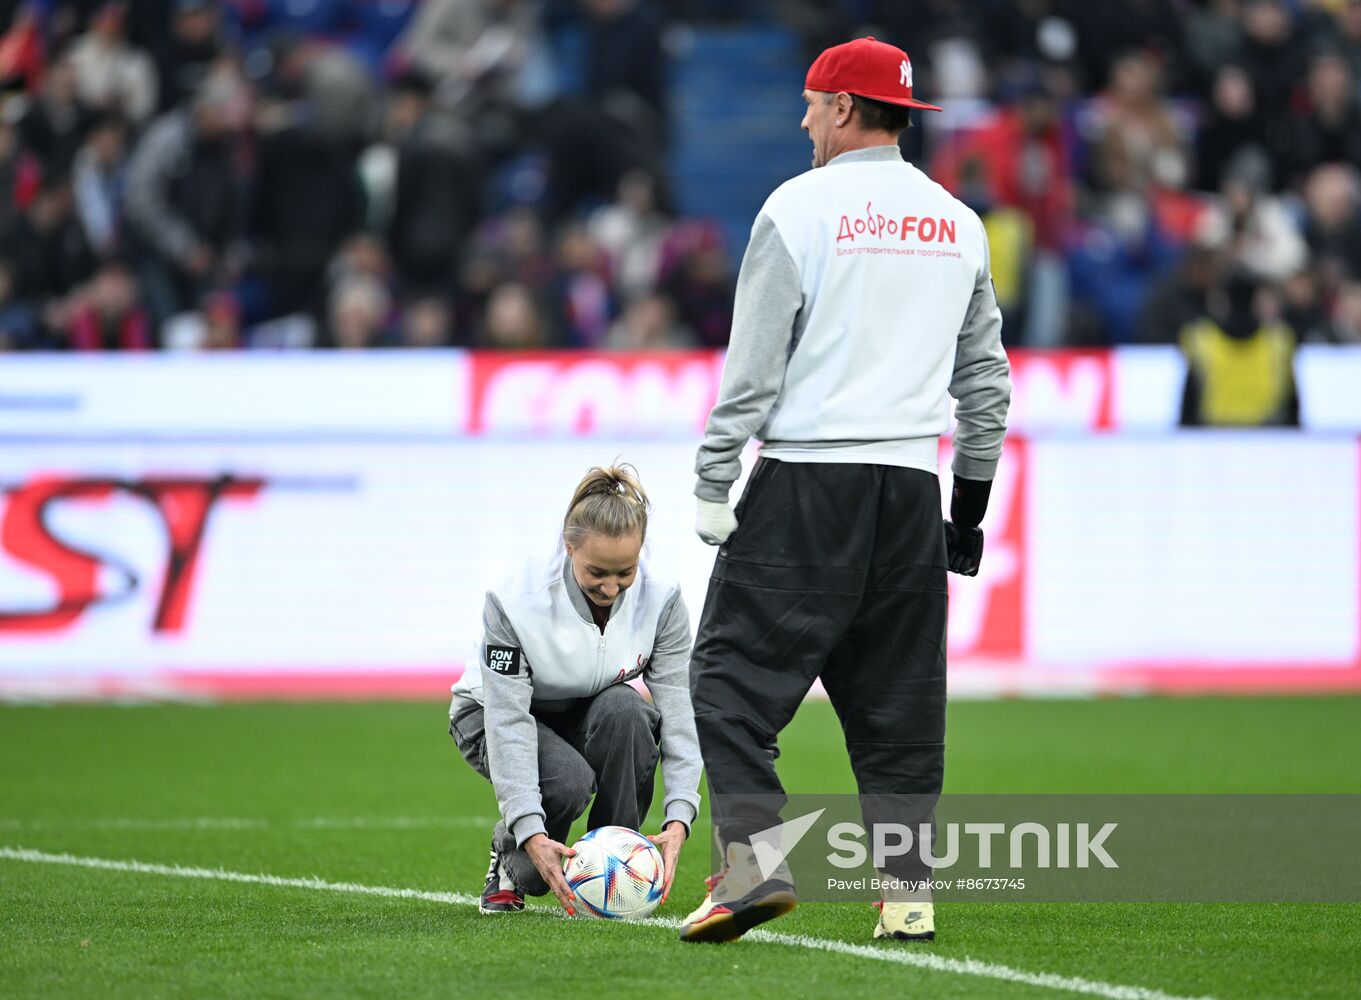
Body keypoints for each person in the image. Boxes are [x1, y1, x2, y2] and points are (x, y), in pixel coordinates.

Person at [679, 36, 1012, 945]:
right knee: (898, 704)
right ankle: (907, 894)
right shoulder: (959, 221)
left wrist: (714, 478)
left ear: (843, 109)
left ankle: (751, 869)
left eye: (810, 103)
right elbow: (985, 383)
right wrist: (967, 507)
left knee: (726, 683)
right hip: (907, 488)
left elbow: (751, 370)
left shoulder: (797, 207)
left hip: (805, 483)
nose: (800, 119)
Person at [448, 464, 701, 915]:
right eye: (597, 572)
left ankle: (619, 875)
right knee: (567, 782)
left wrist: (680, 814)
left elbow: (680, 713)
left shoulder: (662, 601)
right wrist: (529, 830)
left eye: (625, 572)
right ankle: (510, 864)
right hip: (490, 713)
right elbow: (508, 720)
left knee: (628, 711)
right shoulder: (515, 602)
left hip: (586, 709)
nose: (611, 587)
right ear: (568, 547)